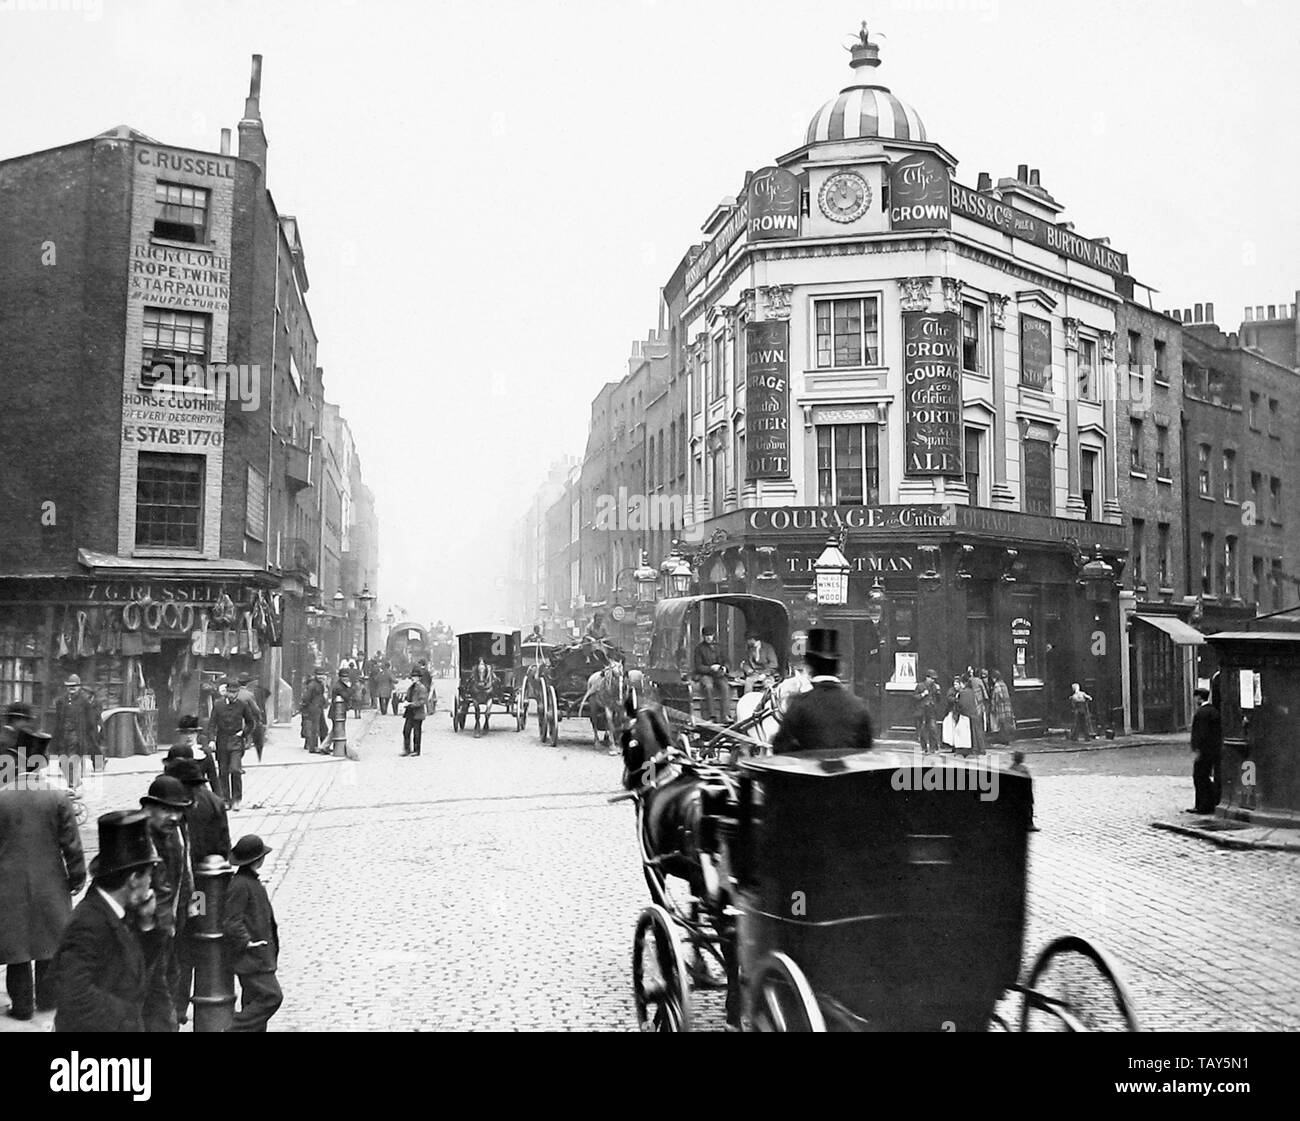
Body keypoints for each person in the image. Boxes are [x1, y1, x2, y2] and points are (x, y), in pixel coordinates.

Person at [0, 703, 86, 1022]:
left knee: (18, 949)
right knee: (49, 942)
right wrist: (76, 878)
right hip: (50, 878)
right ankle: (48, 999)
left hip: (8, 881)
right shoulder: (57, 798)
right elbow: (72, 846)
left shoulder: (2, 796)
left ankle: (21, 1006)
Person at [51, 809, 172, 1032]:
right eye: (148, 875)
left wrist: (148, 925)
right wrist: (129, 1018)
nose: (151, 883)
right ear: (134, 879)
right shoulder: (89, 922)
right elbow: (73, 993)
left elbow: (145, 972)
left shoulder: (125, 911)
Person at [167, 757, 229, 1025]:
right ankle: (185, 1003)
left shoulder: (179, 808)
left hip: (183, 889)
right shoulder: (213, 801)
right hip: (202, 890)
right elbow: (224, 846)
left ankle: (177, 1005)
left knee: (180, 946)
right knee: (194, 940)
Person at [138, 775, 194, 1033]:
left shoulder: (176, 834)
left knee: (172, 979)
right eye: (166, 809)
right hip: (143, 935)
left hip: (172, 925)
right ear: (148, 808)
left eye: (178, 811)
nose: (173, 817)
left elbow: (189, 877)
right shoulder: (134, 839)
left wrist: (196, 910)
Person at [771, 628, 874, 754]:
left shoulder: (800, 705)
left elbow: (781, 749)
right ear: (838, 667)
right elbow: (866, 754)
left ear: (810, 666)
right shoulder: (858, 706)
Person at [223, 835, 282, 1032]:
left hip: (260, 955)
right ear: (258, 859)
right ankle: (232, 1029)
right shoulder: (240, 884)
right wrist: (246, 942)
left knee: (253, 1004)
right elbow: (232, 920)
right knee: (272, 996)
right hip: (253, 958)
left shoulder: (249, 881)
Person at [204, 678, 256, 811]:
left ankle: (237, 800)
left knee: (235, 769)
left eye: (235, 693)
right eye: (231, 692)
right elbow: (212, 724)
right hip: (221, 741)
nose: (233, 695)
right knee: (223, 771)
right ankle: (225, 800)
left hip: (236, 742)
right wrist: (211, 740)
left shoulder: (242, 705)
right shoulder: (218, 705)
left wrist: (243, 734)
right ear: (226, 692)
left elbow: (251, 723)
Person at [49, 674, 104, 791]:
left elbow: (90, 722)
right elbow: (58, 721)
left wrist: (91, 735)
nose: (72, 688)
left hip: (78, 735)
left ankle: (72, 785)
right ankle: (75, 782)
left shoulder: (84, 702)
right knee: (62, 761)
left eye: (74, 686)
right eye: (69, 686)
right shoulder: (61, 701)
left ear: (79, 687)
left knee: (72, 760)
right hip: (63, 736)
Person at [1188, 686, 1222, 814]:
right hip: (1213, 751)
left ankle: (1202, 805)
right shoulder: (1214, 711)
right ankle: (1209, 803)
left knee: (1199, 777)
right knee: (1206, 777)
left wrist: (1197, 750)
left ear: (1198, 697)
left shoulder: (1201, 713)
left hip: (1203, 752)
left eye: (1195, 697)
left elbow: (1200, 734)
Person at [692, 626, 730, 723]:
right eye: (706, 636)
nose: (709, 638)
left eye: (710, 635)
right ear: (703, 636)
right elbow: (698, 666)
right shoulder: (699, 649)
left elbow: (727, 661)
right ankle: (711, 716)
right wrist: (710, 668)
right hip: (705, 674)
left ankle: (725, 715)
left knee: (725, 687)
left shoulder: (719, 647)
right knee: (708, 687)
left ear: (713, 636)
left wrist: (725, 668)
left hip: (718, 674)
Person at [236, 673, 267, 763]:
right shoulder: (249, 695)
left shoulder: (232, 693)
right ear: (247, 683)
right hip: (244, 720)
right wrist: (260, 718)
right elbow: (255, 709)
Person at [1009, 750, 1039, 831]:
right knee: (1028, 809)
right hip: (1024, 793)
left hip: (1016, 793)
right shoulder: (1023, 769)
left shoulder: (1011, 768)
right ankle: (1029, 824)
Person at [913, 669, 942, 753]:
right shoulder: (920, 686)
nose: (933, 680)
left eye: (934, 679)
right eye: (932, 678)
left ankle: (933, 747)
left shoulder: (935, 687)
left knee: (933, 728)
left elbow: (938, 699)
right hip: (922, 710)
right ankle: (924, 747)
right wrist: (922, 694)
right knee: (922, 729)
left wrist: (938, 692)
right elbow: (914, 697)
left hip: (931, 710)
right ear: (927, 678)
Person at [300, 668, 328, 753]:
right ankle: (313, 747)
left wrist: (324, 702)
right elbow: (306, 697)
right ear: (315, 675)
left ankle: (324, 745)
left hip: (319, 708)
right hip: (313, 709)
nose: (320, 676)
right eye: (319, 675)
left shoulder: (320, 684)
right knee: (314, 728)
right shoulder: (312, 685)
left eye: (322, 675)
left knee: (323, 728)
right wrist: (308, 706)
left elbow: (321, 696)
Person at [401, 675, 429, 756]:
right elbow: (408, 697)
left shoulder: (422, 688)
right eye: (412, 677)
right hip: (410, 713)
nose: (412, 678)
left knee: (417, 733)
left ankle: (417, 751)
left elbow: (422, 701)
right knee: (406, 731)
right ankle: (407, 750)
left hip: (418, 713)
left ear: (419, 678)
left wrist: (411, 704)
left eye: (415, 677)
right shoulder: (411, 687)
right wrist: (405, 701)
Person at [989, 669, 1016, 745]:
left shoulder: (997, 685)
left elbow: (997, 697)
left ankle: (1004, 739)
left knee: (1002, 724)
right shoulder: (1003, 684)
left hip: (1001, 707)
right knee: (1006, 723)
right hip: (1007, 706)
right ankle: (1007, 739)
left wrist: (993, 707)